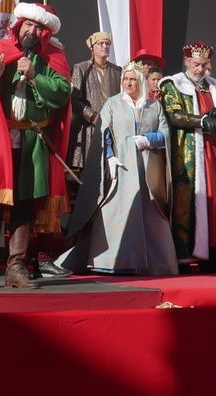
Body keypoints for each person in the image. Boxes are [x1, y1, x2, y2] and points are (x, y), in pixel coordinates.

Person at [0, 4, 72, 289]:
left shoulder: (53, 56)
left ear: (44, 31)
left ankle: (16, 268)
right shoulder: (0, 49)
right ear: (18, 25)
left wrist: (34, 76)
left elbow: (62, 92)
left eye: (36, 27)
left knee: (25, 205)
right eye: (27, 25)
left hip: (33, 141)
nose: (31, 31)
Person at [59, 61, 178, 276]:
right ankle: (113, 260)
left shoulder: (154, 106)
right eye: (125, 79)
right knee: (116, 213)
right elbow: (104, 133)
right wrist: (110, 158)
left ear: (140, 81)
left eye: (133, 79)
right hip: (121, 170)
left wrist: (148, 139)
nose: (128, 83)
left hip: (146, 171)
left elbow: (166, 135)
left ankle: (154, 262)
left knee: (151, 216)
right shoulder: (112, 104)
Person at [159, 43, 216, 268]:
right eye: (196, 64)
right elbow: (174, 115)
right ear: (186, 63)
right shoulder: (173, 84)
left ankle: (214, 252)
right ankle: (185, 253)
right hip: (189, 151)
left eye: (204, 65)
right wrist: (201, 121)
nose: (200, 69)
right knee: (189, 197)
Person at [69, 31, 121, 187]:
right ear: (92, 47)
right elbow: (74, 99)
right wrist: (92, 116)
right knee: (89, 174)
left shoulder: (117, 71)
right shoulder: (81, 68)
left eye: (107, 44)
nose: (105, 46)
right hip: (88, 128)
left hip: (112, 127)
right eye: (101, 44)